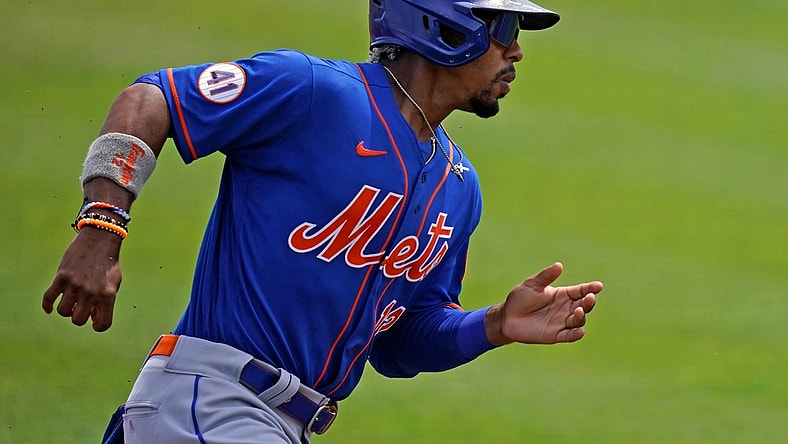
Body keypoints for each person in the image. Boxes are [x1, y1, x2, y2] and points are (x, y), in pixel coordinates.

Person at [42, 1, 603, 443]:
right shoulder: (311, 90)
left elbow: (400, 341)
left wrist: (493, 325)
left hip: (280, 426)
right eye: (503, 26)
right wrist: (102, 226)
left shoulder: (459, 186)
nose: (517, 51)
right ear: (445, 24)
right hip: (213, 401)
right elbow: (153, 99)